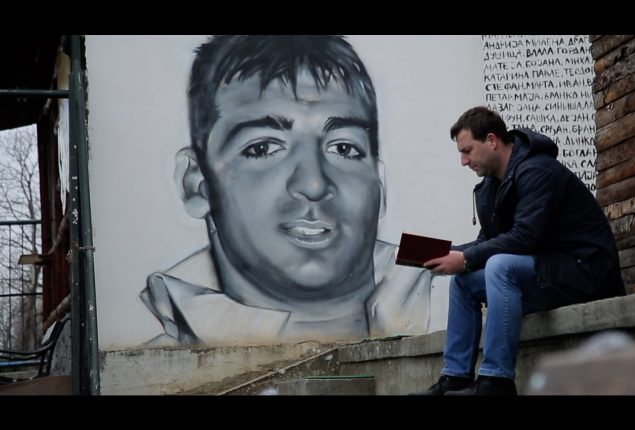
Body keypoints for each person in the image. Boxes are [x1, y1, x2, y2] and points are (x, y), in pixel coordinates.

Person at [139, 35, 431, 346]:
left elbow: (457, 254)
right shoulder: (155, 363)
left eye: (344, 148)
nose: (313, 184)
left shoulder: (450, 281)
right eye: (262, 148)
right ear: (196, 184)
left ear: (379, 183)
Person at [416, 106, 626, 395]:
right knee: (464, 281)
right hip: (545, 273)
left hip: (584, 271)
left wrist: (465, 258)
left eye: (467, 151)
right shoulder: (491, 186)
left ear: (491, 140)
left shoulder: (538, 171)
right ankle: (455, 377)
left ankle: (496, 382)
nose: (463, 161)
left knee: (499, 266)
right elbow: (487, 242)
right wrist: (444, 254)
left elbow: (525, 238)